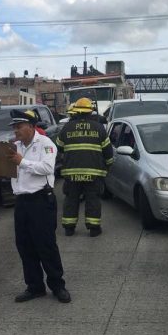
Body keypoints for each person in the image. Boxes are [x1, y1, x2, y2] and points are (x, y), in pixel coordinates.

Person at [6, 109, 71, 303]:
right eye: (14, 127)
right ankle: (34, 286)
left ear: (31, 127)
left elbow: (47, 168)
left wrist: (22, 162)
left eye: (19, 127)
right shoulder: (14, 146)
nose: (16, 131)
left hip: (41, 200)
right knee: (25, 246)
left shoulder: (45, 144)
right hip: (22, 201)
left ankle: (58, 285)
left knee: (46, 244)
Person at [56, 97, 113, 237]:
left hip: (71, 172)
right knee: (92, 199)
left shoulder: (67, 127)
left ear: (76, 112)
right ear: (90, 112)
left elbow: (59, 147)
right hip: (94, 172)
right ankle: (94, 229)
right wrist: (108, 165)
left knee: (71, 199)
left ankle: (69, 228)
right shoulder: (99, 128)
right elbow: (108, 151)